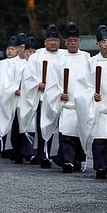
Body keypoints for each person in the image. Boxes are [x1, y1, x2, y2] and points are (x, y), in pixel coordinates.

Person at [41, 22, 94, 173]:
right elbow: (53, 81)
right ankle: (68, 161)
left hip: (82, 102)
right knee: (66, 134)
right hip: (66, 103)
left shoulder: (87, 58)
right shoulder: (60, 60)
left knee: (80, 133)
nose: (72, 43)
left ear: (79, 41)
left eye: (75, 40)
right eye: (69, 41)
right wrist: (59, 94)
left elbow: (91, 79)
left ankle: (78, 159)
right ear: (65, 42)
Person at [19, 25, 66, 168]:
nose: (53, 43)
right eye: (50, 40)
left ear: (60, 42)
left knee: (63, 129)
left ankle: (62, 156)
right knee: (44, 127)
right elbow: (28, 77)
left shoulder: (65, 55)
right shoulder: (36, 57)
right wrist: (36, 84)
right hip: (42, 97)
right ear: (45, 41)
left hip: (61, 98)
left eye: (55, 40)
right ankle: (43, 154)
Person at [89, 25, 107, 179]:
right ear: (97, 44)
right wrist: (92, 94)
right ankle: (100, 167)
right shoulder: (92, 62)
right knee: (99, 138)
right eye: (103, 41)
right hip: (98, 105)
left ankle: (106, 164)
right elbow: (84, 83)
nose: (106, 44)